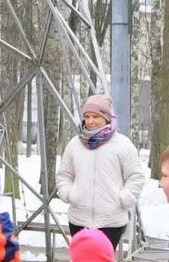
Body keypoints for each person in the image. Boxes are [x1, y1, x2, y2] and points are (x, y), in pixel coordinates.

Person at [55, 94, 146, 250]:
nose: (90, 121)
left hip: (111, 221)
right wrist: (68, 194)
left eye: (96, 116)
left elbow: (136, 176)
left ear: (107, 118)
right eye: (87, 116)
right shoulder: (74, 144)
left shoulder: (123, 144)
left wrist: (124, 198)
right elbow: (64, 175)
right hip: (79, 219)